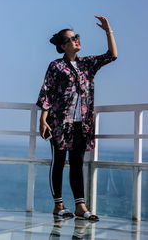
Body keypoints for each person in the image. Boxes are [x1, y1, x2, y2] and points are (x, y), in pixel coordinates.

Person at [36, 16, 117, 221]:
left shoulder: (87, 64)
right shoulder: (55, 66)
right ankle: (59, 205)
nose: (77, 40)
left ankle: (80, 206)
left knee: (78, 163)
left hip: (82, 123)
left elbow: (112, 55)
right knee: (59, 162)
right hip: (59, 123)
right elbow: (47, 93)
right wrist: (42, 119)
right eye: (72, 39)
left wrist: (109, 31)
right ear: (63, 46)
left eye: (77, 37)